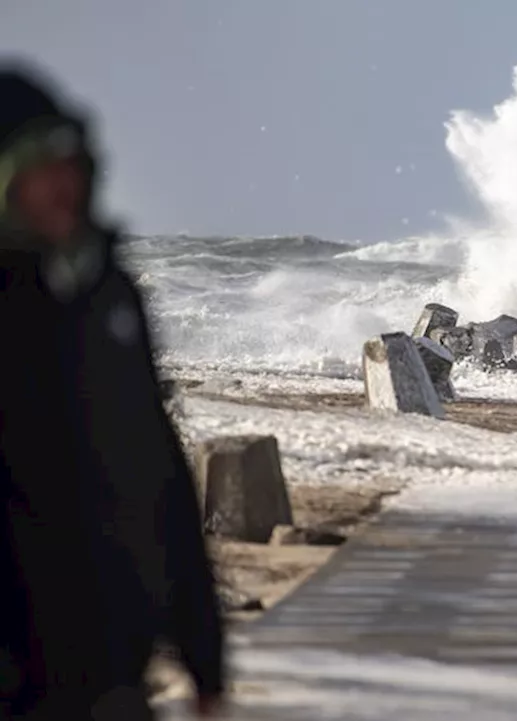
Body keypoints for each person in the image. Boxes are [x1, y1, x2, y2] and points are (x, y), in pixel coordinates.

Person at [0, 64, 226, 719]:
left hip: (111, 665)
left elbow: (157, 471)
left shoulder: (105, 295)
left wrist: (202, 649)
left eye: (72, 160)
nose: (63, 183)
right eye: (40, 165)